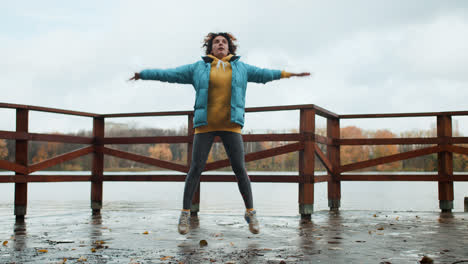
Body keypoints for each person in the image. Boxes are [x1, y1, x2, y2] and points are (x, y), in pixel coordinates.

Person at [130, 32, 310, 235]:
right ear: (210, 48)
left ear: (230, 47)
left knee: (239, 169)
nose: (220, 44)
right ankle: (185, 214)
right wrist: (143, 74)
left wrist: (289, 74)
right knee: (195, 168)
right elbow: (170, 74)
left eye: (224, 42)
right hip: (204, 125)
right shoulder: (198, 68)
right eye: (216, 42)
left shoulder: (241, 67)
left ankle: (250, 212)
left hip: (231, 126)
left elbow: (264, 75)